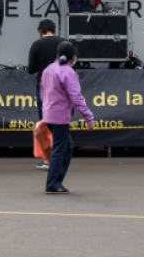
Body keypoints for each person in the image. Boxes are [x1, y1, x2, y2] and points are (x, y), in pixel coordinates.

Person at [40, 41, 94, 194]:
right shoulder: (68, 72)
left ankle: (56, 181)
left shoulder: (49, 69)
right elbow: (77, 98)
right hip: (60, 117)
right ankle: (53, 183)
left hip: (49, 115)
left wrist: (46, 108)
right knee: (60, 149)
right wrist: (88, 117)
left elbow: (42, 92)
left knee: (66, 147)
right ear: (73, 57)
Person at [27, 19, 65, 170]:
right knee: (61, 124)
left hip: (43, 88)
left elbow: (31, 69)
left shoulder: (37, 45)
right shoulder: (64, 44)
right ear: (54, 31)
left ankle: (47, 160)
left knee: (45, 123)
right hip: (61, 87)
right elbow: (72, 63)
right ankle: (60, 157)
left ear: (40, 32)